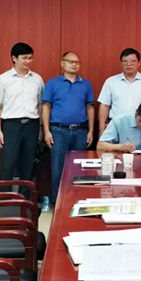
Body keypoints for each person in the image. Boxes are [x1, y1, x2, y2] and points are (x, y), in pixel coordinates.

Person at [42, 52, 95, 204]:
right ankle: (58, 204)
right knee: (57, 169)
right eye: (70, 61)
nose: (74, 64)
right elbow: (46, 107)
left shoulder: (85, 84)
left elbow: (90, 108)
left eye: (77, 62)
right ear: (62, 64)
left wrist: (91, 131)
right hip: (58, 131)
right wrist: (46, 131)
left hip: (81, 131)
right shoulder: (53, 83)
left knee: (79, 169)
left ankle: (77, 201)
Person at [0, 42, 44, 194]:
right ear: (14, 58)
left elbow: (41, 105)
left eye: (30, 58)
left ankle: (25, 200)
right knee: (7, 163)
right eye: (24, 58)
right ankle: (4, 200)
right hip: (11, 125)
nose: (28, 61)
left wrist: (41, 127)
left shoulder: (37, 79)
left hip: (32, 125)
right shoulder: (3, 79)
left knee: (28, 164)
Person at [97, 48, 141, 136]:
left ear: (138, 63)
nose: (129, 64)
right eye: (125, 61)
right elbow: (104, 105)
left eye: (133, 61)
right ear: (121, 63)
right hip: (117, 125)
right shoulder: (111, 81)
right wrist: (101, 129)